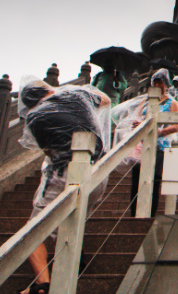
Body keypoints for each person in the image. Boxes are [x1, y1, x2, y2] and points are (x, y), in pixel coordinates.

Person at [17, 78, 113, 294]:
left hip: (62, 173)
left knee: (33, 231)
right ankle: (74, 261)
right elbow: (106, 100)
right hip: (97, 173)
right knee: (73, 219)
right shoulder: (78, 95)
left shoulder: (34, 116)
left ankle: (42, 284)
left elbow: (47, 149)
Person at [125, 70, 178, 217]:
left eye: (160, 82)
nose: (156, 85)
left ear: (166, 84)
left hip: (160, 147)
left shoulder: (172, 103)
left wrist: (159, 131)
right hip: (142, 145)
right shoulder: (145, 102)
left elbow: (176, 127)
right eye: (154, 82)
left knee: (154, 181)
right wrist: (137, 124)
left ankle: (149, 214)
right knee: (136, 180)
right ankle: (133, 214)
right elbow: (136, 117)